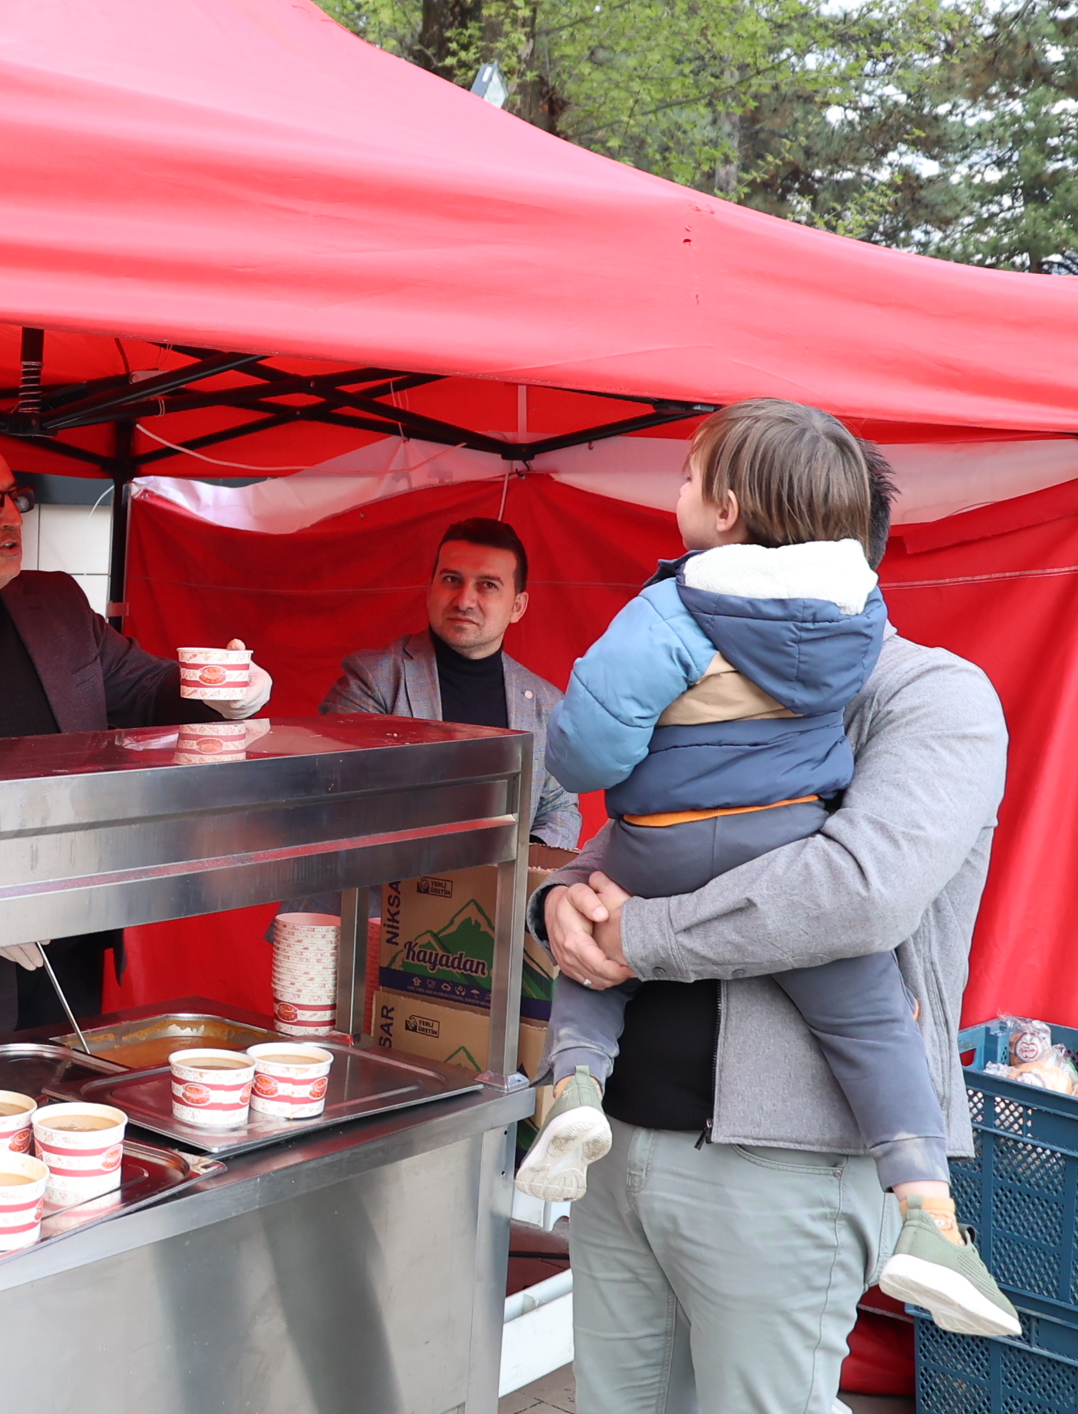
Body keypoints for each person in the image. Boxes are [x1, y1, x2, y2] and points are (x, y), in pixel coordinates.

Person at [512, 398, 1014, 1340]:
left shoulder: (936, 694)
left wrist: (635, 935)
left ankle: (932, 1221)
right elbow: (643, 820)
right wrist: (557, 905)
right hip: (627, 1138)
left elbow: (858, 894)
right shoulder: (704, 659)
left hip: (786, 1161)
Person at [0, 429, 272, 1050]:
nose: (10, 517)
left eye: (15, 498)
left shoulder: (56, 603)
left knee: (69, 1123)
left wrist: (219, 691)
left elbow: (144, 691)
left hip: (70, 938)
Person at [323, 517, 580, 847]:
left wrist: (514, 874)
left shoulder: (546, 702)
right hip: (379, 896)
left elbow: (559, 808)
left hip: (490, 897)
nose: (464, 600)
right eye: (451, 579)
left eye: (487, 585)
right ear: (430, 590)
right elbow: (334, 794)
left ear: (517, 606)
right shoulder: (374, 681)